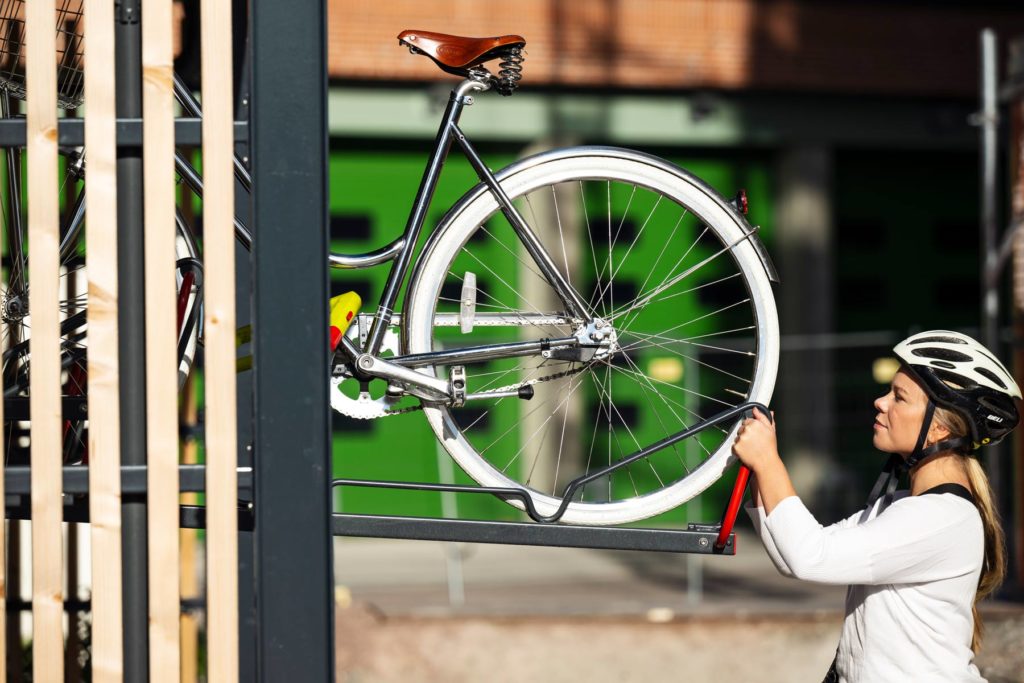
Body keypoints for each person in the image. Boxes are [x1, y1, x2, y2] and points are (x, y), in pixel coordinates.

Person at [733, 330, 1020, 682]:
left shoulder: (942, 518)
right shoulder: (898, 506)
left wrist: (768, 462)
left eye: (899, 397)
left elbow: (810, 556)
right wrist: (757, 470)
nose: (881, 402)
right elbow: (792, 557)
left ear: (938, 431)